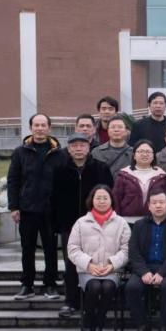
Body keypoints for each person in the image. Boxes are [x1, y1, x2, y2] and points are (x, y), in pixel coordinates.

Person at [50, 133, 114, 318]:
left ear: (89, 148)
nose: (78, 149)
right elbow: (53, 198)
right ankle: (71, 302)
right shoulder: (59, 170)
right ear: (69, 149)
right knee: (71, 264)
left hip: (97, 224)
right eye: (74, 146)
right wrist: (55, 224)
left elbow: (110, 196)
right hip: (69, 225)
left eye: (82, 145)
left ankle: (93, 302)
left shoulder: (101, 168)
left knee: (95, 261)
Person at [8, 113, 66, 300]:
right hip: (27, 208)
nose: (40, 128)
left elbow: (63, 183)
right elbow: (13, 180)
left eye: (43, 125)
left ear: (49, 128)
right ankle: (27, 284)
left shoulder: (59, 153)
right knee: (27, 248)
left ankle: (50, 284)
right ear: (31, 128)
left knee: (51, 249)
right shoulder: (20, 152)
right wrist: (14, 206)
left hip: (51, 210)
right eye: (36, 125)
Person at [67, 185, 130, 331]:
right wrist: (89, 265)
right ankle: (88, 325)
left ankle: (99, 325)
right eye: (98, 198)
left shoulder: (121, 223)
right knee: (94, 286)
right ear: (92, 200)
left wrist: (112, 264)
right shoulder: (81, 222)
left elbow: (127, 250)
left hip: (113, 270)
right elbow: (73, 249)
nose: (102, 201)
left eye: (105, 198)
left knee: (108, 287)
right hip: (87, 270)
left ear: (111, 200)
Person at [125, 190, 166, 331]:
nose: (158, 206)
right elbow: (134, 252)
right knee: (132, 287)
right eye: (154, 203)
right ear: (149, 206)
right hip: (145, 268)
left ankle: (164, 327)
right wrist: (144, 272)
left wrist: (162, 272)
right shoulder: (139, 225)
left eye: (161, 202)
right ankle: (143, 326)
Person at [113, 141, 166, 222]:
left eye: (148, 152)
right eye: (141, 151)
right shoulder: (124, 175)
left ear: (153, 156)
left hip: (154, 220)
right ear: (134, 155)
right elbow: (116, 199)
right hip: (127, 220)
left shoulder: (161, 176)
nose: (145, 154)